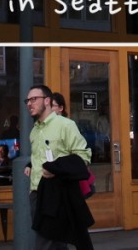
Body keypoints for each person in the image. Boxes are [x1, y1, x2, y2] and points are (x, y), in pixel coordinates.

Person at [25, 84, 94, 250]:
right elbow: (40, 157)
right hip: (36, 193)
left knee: (46, 243)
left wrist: (56, 168)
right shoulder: (34, 131)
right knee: (55, 242)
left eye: (34, 99)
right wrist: (30, 167)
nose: (29, 104)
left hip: (57, 193)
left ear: (47, 101)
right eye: (27, 100)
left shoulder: (65, 125)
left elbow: (83, 156)